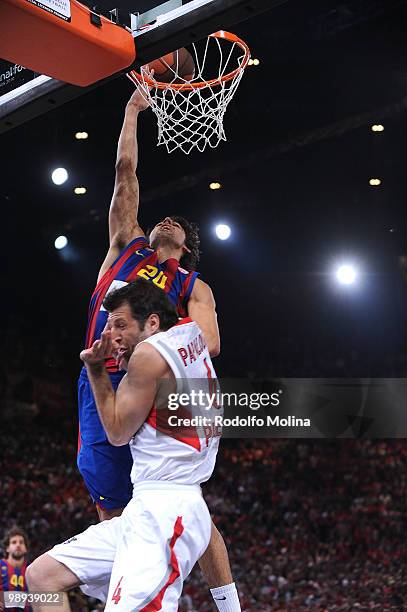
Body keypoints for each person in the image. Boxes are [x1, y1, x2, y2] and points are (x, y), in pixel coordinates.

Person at [77, 89, 240, 609]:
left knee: (183, 500)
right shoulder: (127, 245)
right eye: (161, 218)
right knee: (112, 509)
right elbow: (126, 173)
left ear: (186, 243)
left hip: (155, 389)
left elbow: (209, 342)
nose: (164, 220)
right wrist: (131, 111)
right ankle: (123, 594)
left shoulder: (193, 286)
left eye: (175, 223)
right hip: (99, 378)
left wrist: (152, 347)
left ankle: (227, 601)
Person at [27, 279, 223, 611]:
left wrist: (96, 368)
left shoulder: (147, 354)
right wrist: (184, 276)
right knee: (41, 576)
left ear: (152, 323)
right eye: (108, 325)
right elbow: (205, 309)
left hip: (166, 513)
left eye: (120, 325)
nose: (111, 336)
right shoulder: (191, 337)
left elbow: (116, 433)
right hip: (148, 509)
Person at [0, 527, 30, 612]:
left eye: (21, 542)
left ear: (26, 548)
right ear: (7, 548)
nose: (18, 545)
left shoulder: (32, 571)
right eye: (14, 542)